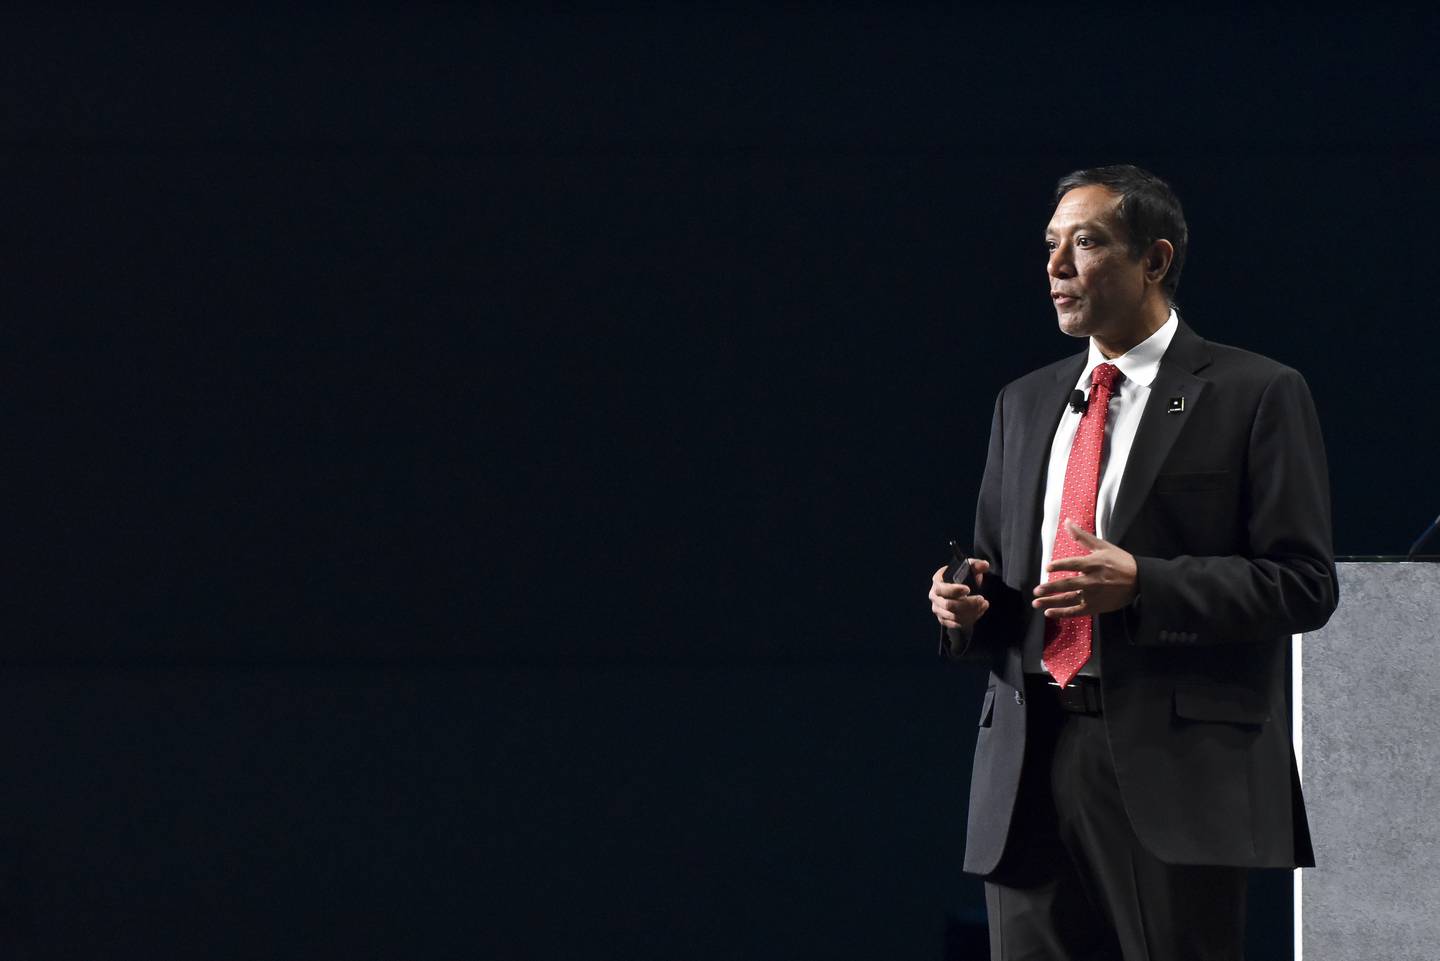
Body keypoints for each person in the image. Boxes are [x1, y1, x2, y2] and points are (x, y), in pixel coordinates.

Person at [927, 165, 1336, 960]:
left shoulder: (1256, 392)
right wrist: (966, 605)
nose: (1055, 267)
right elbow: (999, 578)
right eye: (1050, 245)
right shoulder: (1023, 402)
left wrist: (1148, 582)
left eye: (1085, 243)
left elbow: (1304, 584)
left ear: (1154, 259)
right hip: (1028, 766)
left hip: (1173, 772)